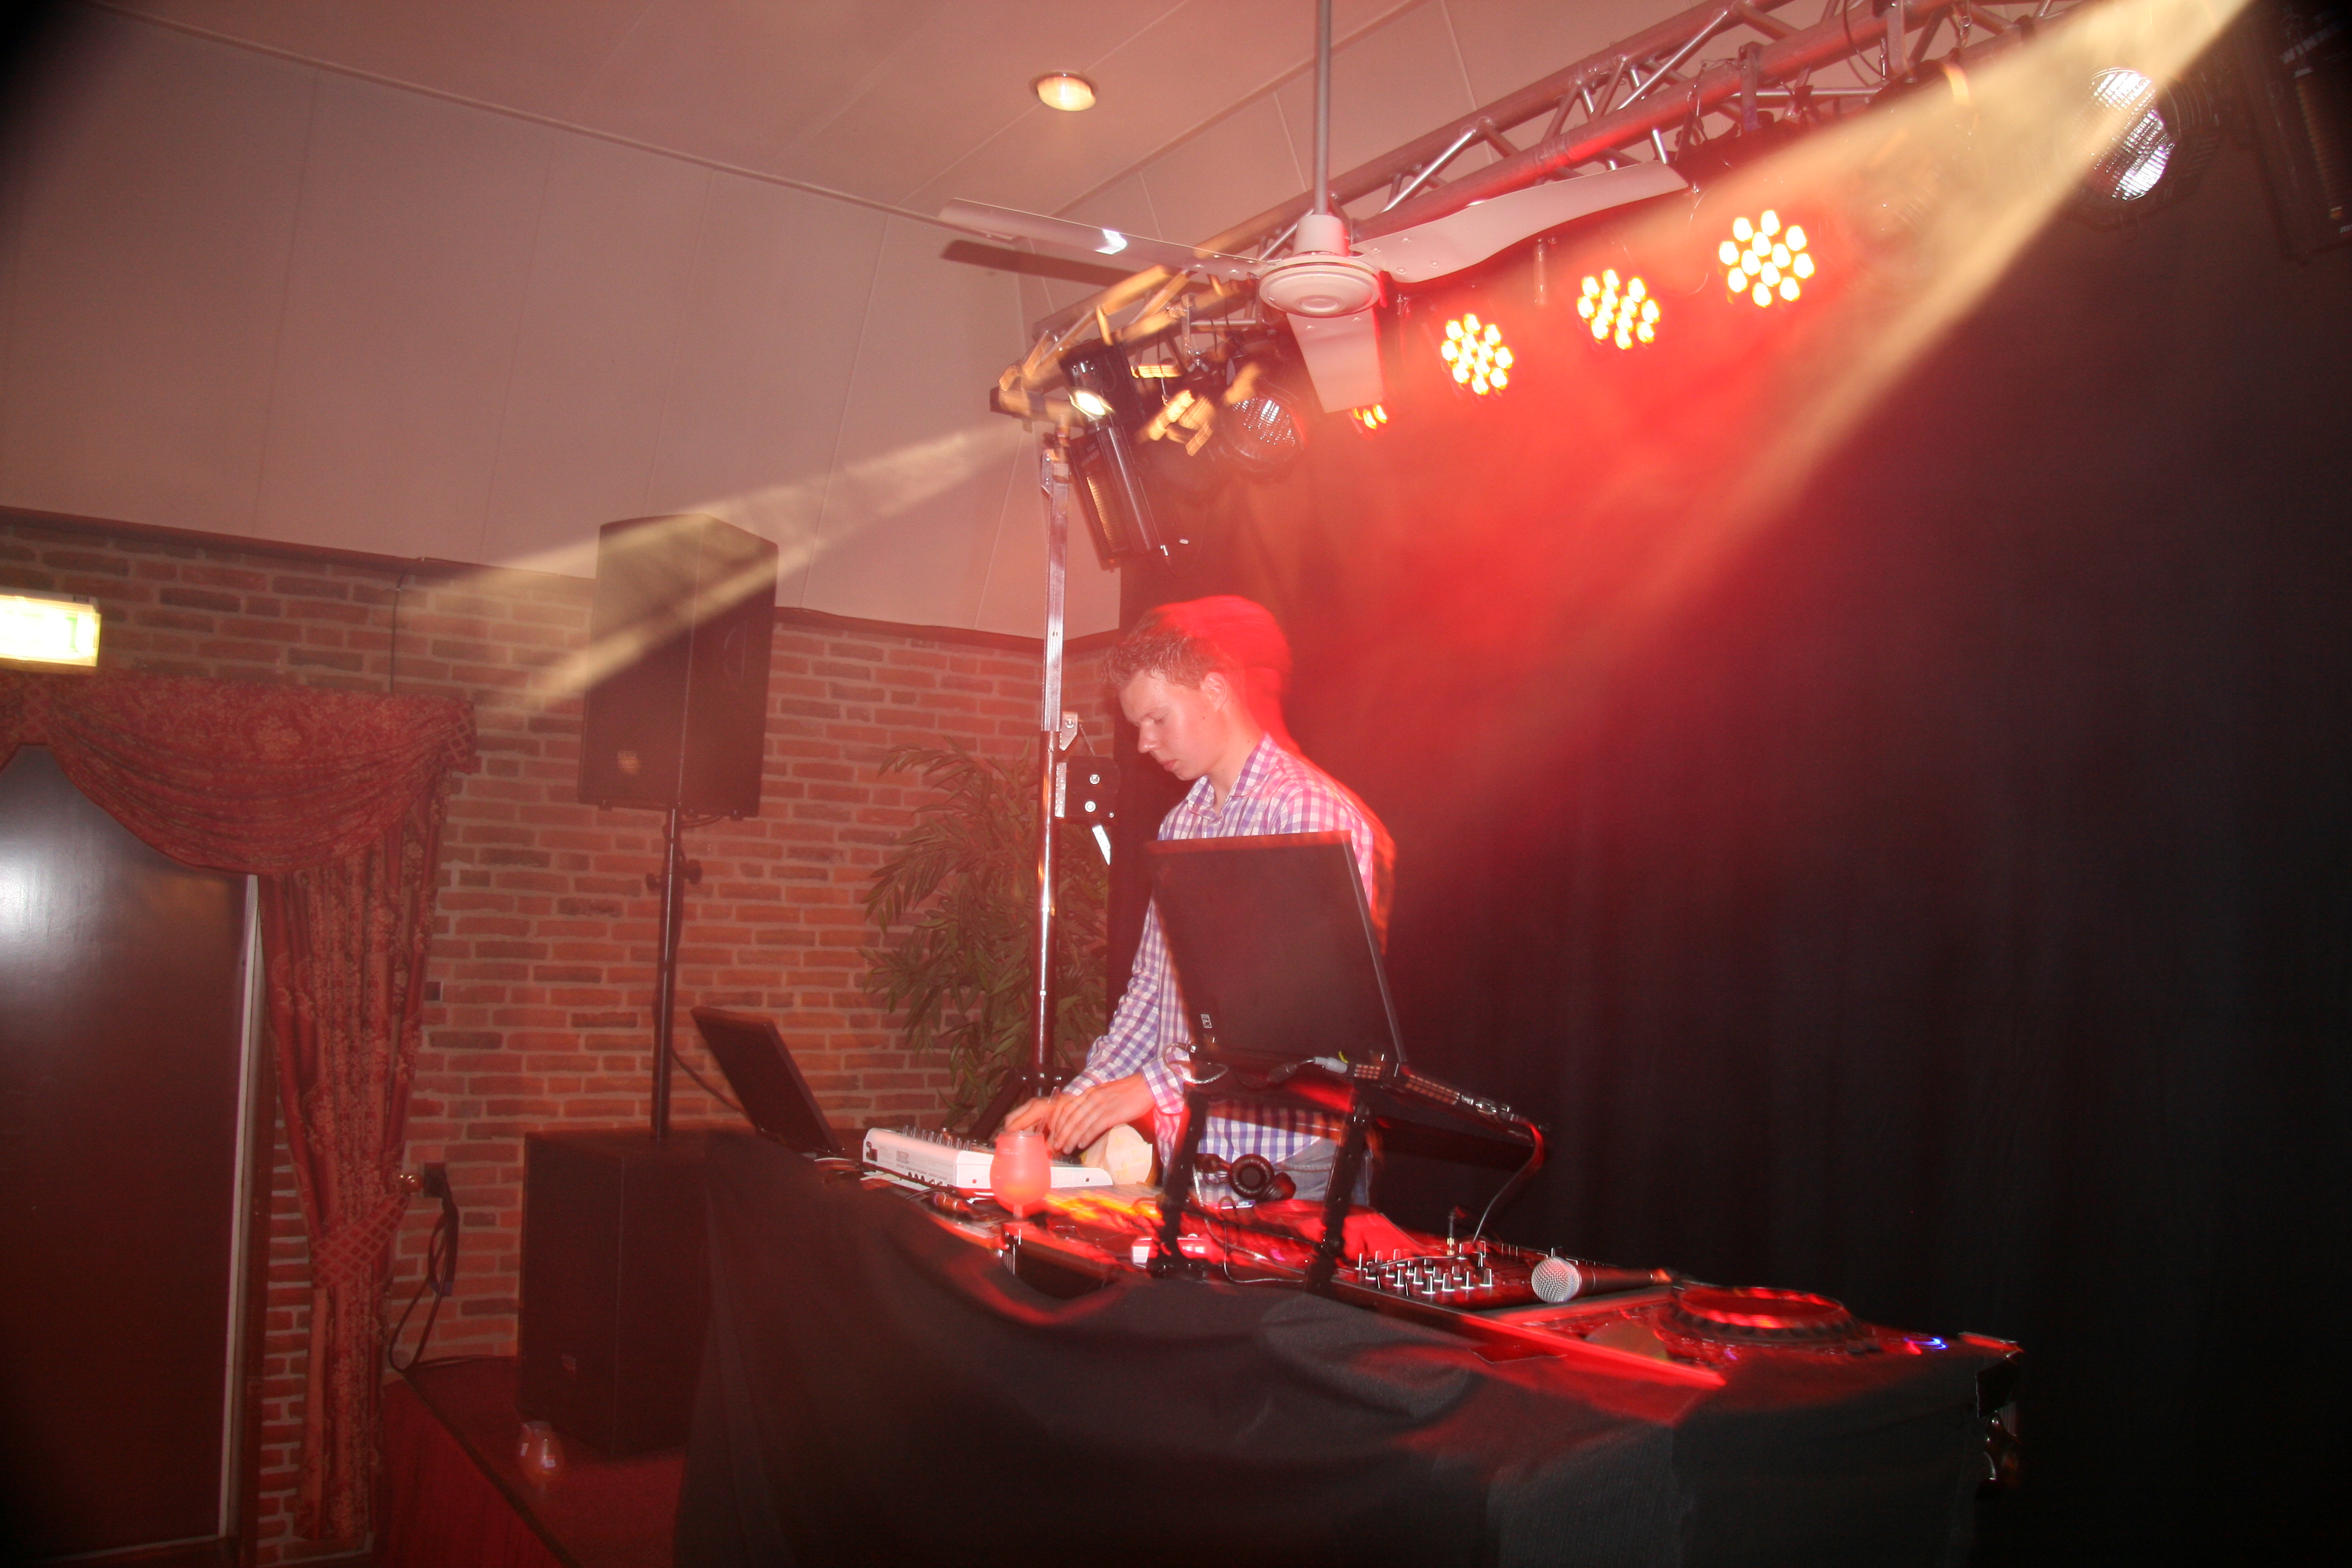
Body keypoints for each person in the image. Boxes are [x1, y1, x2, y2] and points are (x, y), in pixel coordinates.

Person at [1002, 597, 1393, 1203]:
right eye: (1137, 725)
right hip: (1197, 1157)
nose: (1143, 743)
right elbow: (1152, 995)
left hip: (1292, 1167)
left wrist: (1148, 1088)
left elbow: (1289, 1018)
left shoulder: (1305, 812)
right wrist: (1079, 1100)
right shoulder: (1181, 825)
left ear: (1214, 690)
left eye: (1157, 718)